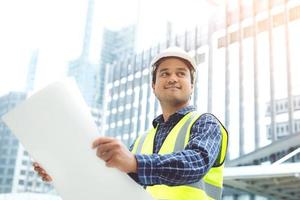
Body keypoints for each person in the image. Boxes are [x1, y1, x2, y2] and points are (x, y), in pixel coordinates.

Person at [34, 46, 228, 200]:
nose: (172, 78)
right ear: (153, 86)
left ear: (191, 86)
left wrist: (135, 162)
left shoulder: (205, 123)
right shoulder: (143, 140)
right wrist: (63, 175)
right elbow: (114, 185)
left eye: (181, 73)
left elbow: (195, 163)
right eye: (164, 74)